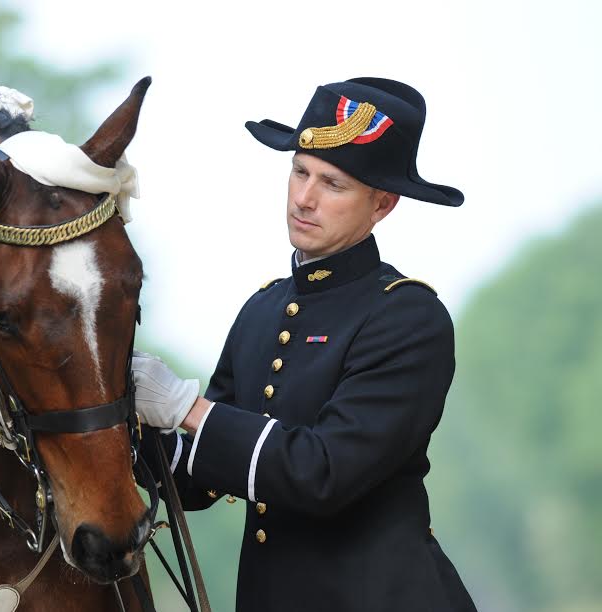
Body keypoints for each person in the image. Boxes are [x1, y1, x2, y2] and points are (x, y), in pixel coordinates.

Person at [132, 78, 478, 612]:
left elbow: (323, 473)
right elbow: (199, 480)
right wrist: (107, 414)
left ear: (382, 204)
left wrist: (186, 407)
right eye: (299, 172)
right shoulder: (263, 309)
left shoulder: (408, 316)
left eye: (333, 185)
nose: (304, 198)